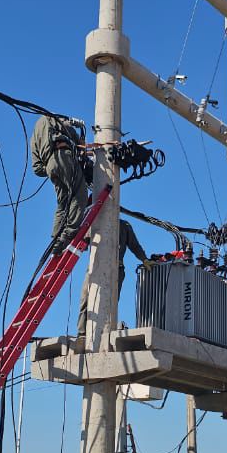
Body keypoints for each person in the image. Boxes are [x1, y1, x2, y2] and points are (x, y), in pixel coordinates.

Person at [76, 219, 153, 341]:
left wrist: (144, 259)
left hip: (116, 268)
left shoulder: (124, 225)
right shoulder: (94, 223)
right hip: (95, 268)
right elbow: (82, 245)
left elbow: (134, 245)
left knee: (110, 303)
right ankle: (82, 333)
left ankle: (104, 332)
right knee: (85, 300)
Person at [31, 115, 89, 254]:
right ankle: (68, 234)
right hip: (63, 156)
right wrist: (78, 141)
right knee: (79, 196)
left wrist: (52, 166)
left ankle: (56, 241)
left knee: (63, 204)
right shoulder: (49, 117)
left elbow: (37, 169)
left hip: (51, 166)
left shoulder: (33, 139)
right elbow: (66, 127)